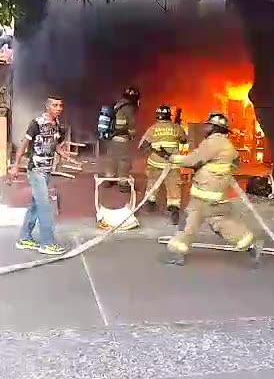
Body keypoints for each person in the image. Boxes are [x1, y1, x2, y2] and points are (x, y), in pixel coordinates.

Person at [163, 111, 262, 265]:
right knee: (219, 222)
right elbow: (235, 161)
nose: (206, 128)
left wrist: (172, 158)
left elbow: (192, 160)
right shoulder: (226, 144)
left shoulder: (213, 142)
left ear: (215, 128)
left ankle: (178, 252)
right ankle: (249, 244)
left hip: (204, 193)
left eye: (209, 125)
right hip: (215, 194)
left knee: (190, 221)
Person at [9, 96, 69, 255]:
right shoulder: (36, 123)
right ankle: (47, 243)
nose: (58, 108)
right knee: (45, 207)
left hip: (47, 170)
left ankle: (24, 238)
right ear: (48, 106)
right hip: (36, 170)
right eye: (55, 105)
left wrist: (64, 153)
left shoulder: (57, 125)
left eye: (61, 105)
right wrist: (15, 166)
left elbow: (55, 145)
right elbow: (23, 146)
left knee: (36, 206)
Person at [138, 105, 187, 225]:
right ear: (169, 116)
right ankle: (174, 209)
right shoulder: (176, 128)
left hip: (155, 163)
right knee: (174, 187)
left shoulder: (152, 129)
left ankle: (150, 203)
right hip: (172, 164)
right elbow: (184, 140)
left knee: (152, 183)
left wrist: (152, 148)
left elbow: (142, 146)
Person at [105, 86, 140, 192]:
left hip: (112, 137)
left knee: (112, 158)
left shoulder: (117, 104)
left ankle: (109, 178)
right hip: (122, 137)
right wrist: (133, 135)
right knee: (124, 160)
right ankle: (123, 182)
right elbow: (131, 124)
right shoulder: (129, 107)